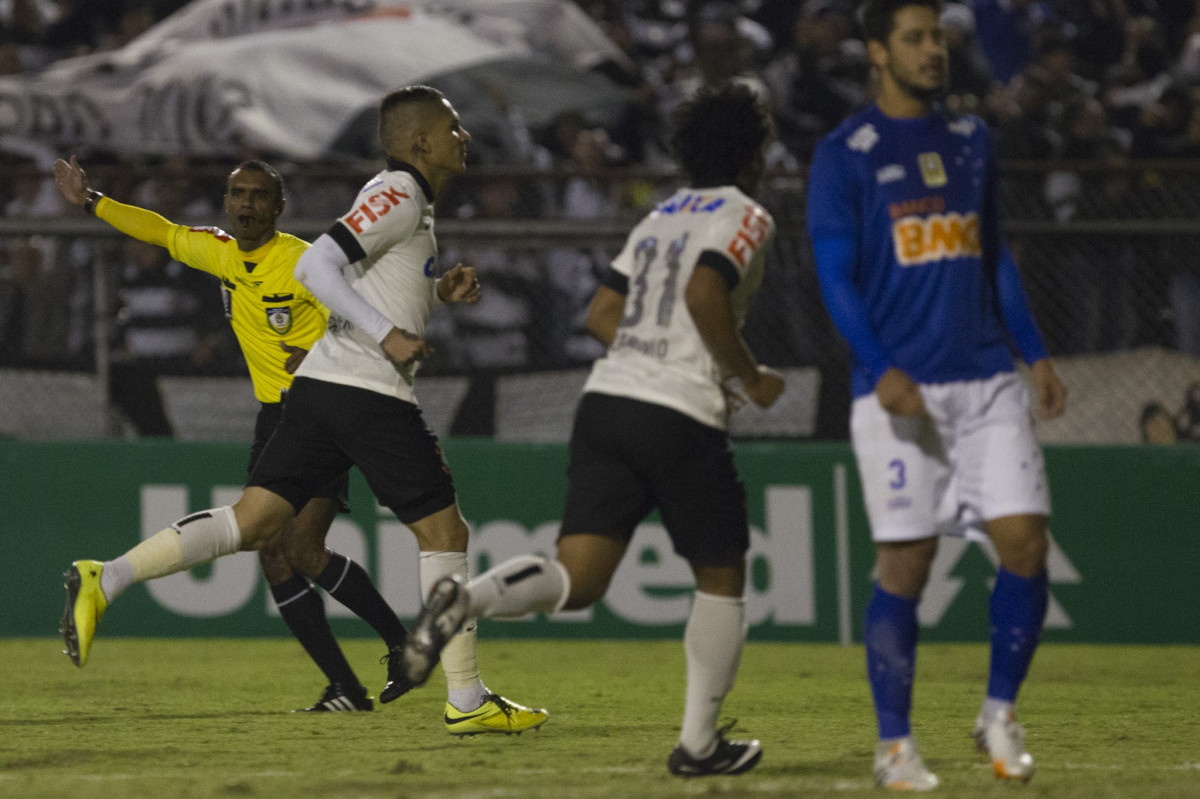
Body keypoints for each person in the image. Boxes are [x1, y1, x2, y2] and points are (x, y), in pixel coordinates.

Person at [60, 85, 548, 736]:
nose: (465, 136)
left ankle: (108, 576)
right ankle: (464, 697)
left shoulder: (396, 198)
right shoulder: (398, 194)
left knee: (258, 525)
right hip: (365, 388)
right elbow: (323, 263)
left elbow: (356, 278)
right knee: (444, 534)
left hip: (318, 389)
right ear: (421, 140)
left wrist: (435, 291)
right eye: (453, 126)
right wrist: (387, 334)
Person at [399, 84, 784, 776]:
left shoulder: (661, 216)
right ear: (753, 153)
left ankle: (466, 598)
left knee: (577, 578)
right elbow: (703, 292)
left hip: (608, 400)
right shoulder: (746, 213)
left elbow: (603, 314)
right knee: (721, 574)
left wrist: (660, 354)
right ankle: (698, 745)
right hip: (679, 411)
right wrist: (747, 377)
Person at [806, 0, 1068, 789]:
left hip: (987, 377)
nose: (934, 51)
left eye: (939, 39)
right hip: (900, 390)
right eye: (916, 39)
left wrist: (1034, 351)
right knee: (908, 563)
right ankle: (894, 745)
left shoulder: (973, 138)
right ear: (877, 52)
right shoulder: (844, 153)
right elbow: (835, 275)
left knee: (1024, 541)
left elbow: (994, 256)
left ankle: (998, 710)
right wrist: (880, 365)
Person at [54, 155, 413, 712]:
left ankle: (400, 646)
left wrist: (320, 352)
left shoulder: (301, 261)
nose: (247, 204)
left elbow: (358, 316)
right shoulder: (219, 251)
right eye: (237, 194)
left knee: (296, 546)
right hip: (276, 417)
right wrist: (91, 200)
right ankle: (350, 683)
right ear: (226, 203)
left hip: (323, 410)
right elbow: (161, 230)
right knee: (280, 551)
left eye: (259, 195)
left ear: (279, 206)